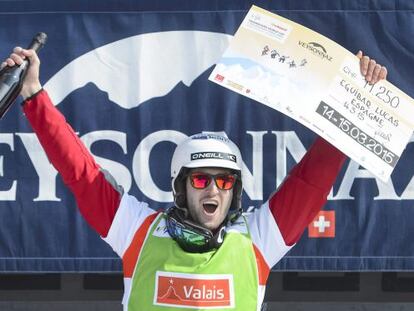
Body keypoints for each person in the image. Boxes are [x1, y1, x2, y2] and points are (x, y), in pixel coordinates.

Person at [1, 48, 387, 310]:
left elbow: (312, 179)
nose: (214, 190)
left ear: (234, 190)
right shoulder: (137, 230)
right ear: (181, 187)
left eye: (224, 182)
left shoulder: (260, 239)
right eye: (202, 180)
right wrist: (33, 92)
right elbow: (80, 173)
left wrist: (353, 97)